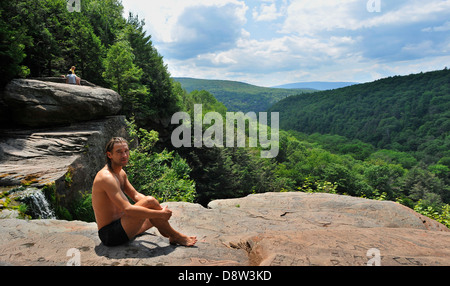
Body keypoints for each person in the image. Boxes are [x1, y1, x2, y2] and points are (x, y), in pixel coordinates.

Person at [92, 137, 197, 247]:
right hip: (111, 234)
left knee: (151, 205)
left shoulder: (121, 173)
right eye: (119, 152)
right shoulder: (106, 177)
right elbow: (127, 209)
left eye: (126, 151)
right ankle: (176, 236)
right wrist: (160, 214)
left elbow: (135, 195)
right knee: (150, 203)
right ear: (109, 155)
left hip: (125, 225)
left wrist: (157, 207)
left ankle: (171, 234)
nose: (124, 155)